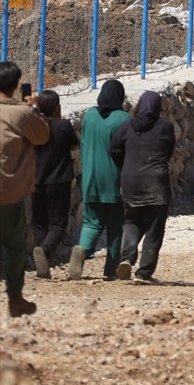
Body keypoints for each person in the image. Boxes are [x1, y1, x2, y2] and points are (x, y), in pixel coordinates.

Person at [108, 91, 175, 284]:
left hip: (130, 180)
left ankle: (127, 258)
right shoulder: (165, 126)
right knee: (155, 227)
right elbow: (168, 150)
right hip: (157, 181)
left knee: (131, 220)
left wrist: (127, 165)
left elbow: (113, 149)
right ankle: (144, 272)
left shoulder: (127, 126)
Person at [0, 62, 50, 316]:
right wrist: (33, 107)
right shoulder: (22, 113)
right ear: (16, 85)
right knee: (13, 246)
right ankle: (16, 298)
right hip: (8, 192)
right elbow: (42, 136)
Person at [70, 79, 130, 280]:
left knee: (91, 223)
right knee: (114, 226)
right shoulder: (123, 119)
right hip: (115, 181)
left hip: (90, 180)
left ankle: (83, 250)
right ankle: (110, 270)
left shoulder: (89, 116)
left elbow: (83, 146)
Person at [31, 90, 78, 277]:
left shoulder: (33, 127)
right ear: (57, 107)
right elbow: (74, 146)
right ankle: (45, 250)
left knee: (39, 223)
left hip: (34, 181)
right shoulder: (63, 126)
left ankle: (42, 262)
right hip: (59, 181)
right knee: (58, 224)